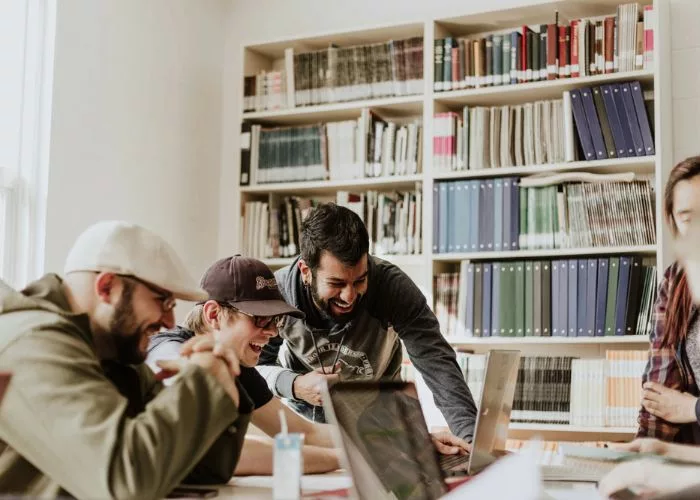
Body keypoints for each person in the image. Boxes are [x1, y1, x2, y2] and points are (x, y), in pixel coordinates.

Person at [0, 221, 248, 498]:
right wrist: (204, 380)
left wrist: (220, 375)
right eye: (163, 301)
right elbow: (124, 483)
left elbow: (201, 471)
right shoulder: (34, 343)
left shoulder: (111, 350)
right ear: (107, 288)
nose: (169, 322)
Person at [257, 203, 478, 444]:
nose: (349, 296)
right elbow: (255, 369)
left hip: (381, 430)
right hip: (306, 432)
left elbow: (438, 364)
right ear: (306, 272)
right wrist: (295, 385)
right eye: (336, 283)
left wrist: (470, 441)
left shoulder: (392, 288)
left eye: (360, 280)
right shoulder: (278, 295)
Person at [146, 255, 342, 475]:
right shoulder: (169, 351)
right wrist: (342, 459)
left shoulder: (236, 365)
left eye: (275, 320)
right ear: (213, 315)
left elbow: (303, 432)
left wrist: (371, 442)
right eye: (260, 319)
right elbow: (221, 451)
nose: (273, 332)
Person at [637, 156, 700, 444]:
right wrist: (642, 452)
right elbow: (659, 391)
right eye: (688, 218)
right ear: (674, 222)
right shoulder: (676, 280)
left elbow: (680, 406)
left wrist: (691, 408)